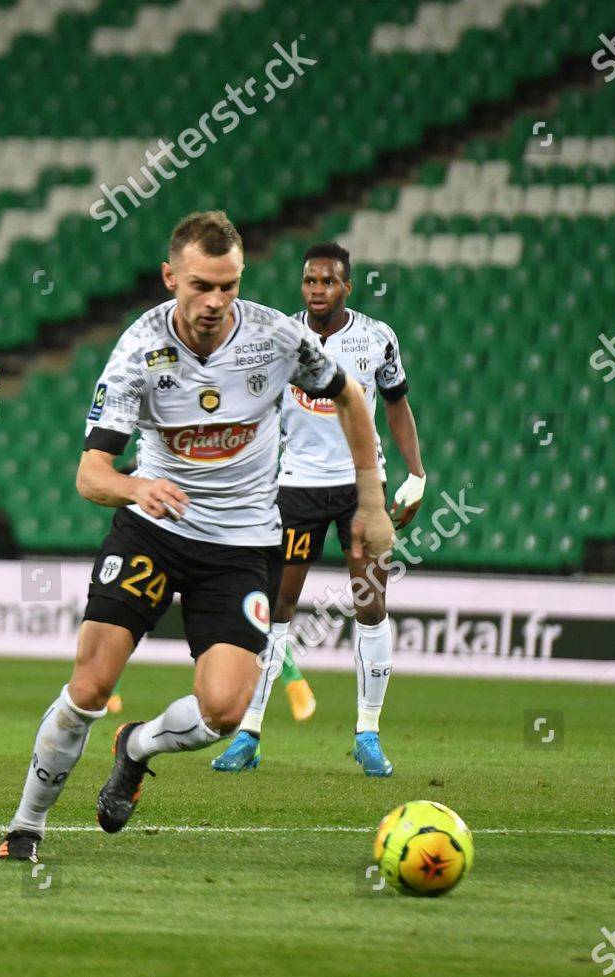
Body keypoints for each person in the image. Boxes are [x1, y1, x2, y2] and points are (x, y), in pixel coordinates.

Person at [0, 212, 393, 862]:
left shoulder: (276, 336)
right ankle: (26, 826)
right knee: (91, 683)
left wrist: (371, 498)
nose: (215, 302)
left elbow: (350, 394)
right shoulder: (137, 350)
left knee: (225, 711)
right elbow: (90, 474)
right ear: (170, 275)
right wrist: (136, 488)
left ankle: (137, 746)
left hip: (241, 545)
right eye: (202, 285)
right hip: (152, 529)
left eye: (229, 286)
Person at [212, 243, 424, 776]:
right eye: (309, 281)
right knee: (275, 607)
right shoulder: (278, 336)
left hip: (361, 487)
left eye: (328, 281)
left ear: (347, 286)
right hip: (296, 488)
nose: (317, 290)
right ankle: (249, 733)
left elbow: (396, 404)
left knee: (369, 603)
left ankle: (368, 732)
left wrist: (416, 474)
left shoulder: (377, 339)